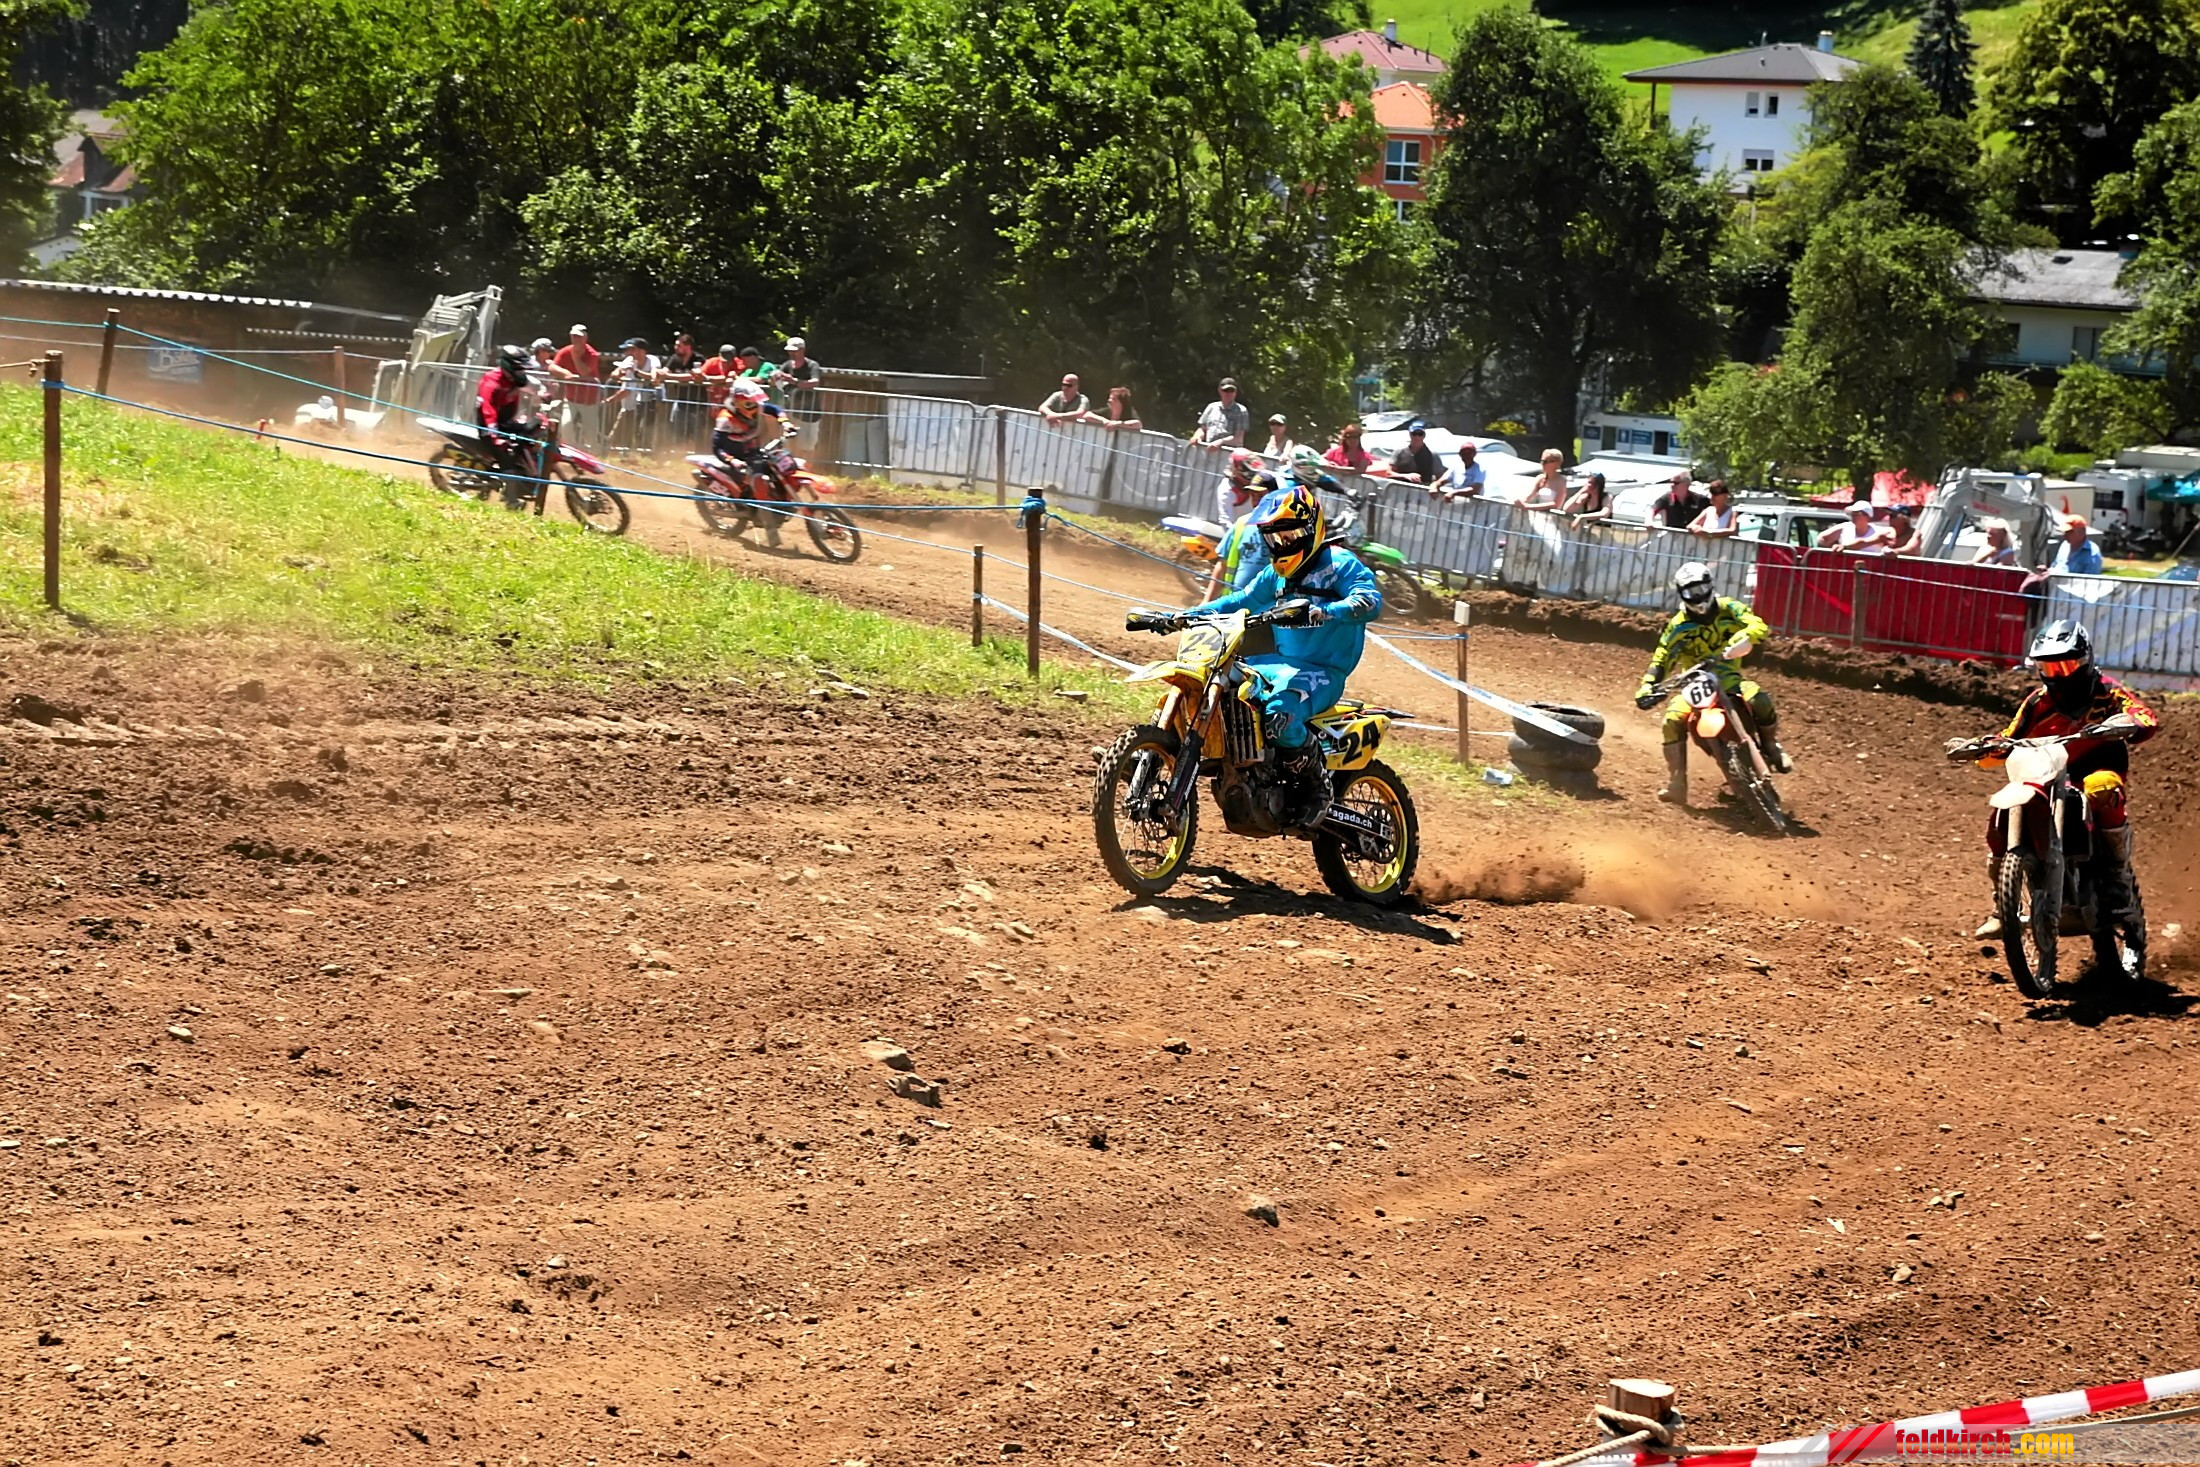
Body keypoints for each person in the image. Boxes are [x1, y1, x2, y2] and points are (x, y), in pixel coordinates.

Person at [1141, 481, 1383, 824]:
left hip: (1322, 670)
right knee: (1215, 686)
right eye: (1273, 538)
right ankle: (1149, 759)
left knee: (1280, 716)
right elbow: (1240, 601)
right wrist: (1182, 616)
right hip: (1274, 664)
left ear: (1310, 529)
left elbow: (1370, 600)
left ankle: (1317, 786)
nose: (1281, 545)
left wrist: (1326, 611)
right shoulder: (1275, 576)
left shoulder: (1339, 563)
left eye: (1288, 535)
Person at [1954, 619, 2157, 959]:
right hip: (2048, 770)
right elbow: (2011, 735)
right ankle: (2003, 905)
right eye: (2049, 667)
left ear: (2085, 660)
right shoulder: (2038, 701)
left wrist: (2126, 723)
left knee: (2101, 788)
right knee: (2006, 808)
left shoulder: (2107, 692)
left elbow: (2145, 716)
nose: (2058, 675)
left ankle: (2118, 879)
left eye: (2066, 665)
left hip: (2097, 767)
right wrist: (1982, 746)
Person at [1633, 561, 1793, 804]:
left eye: (1701, 589)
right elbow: (1662, 657)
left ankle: (1771, 745)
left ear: (1710, 586)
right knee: (1671, 720)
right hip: (1694, 682)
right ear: (1682, 594)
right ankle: (1677, 782)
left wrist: (1744, 637)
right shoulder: (1678, 626)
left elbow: (1757, 624)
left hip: (1730, 678)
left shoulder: (1729, 608)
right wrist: (1647, 685)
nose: (1698, 596)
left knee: (1759, 699)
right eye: (1691, 592)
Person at [711, 379, 787, 540]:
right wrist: (732, 460)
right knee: (760, 482)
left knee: (780, 467)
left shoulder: (754, 407)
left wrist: (785, 423)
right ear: (738, 403)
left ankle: (782, 504)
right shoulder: (725, 418)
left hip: (753, 453)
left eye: (756, 404)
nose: (756, 409)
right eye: (750, 404)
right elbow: (717, 447)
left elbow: (774, 409)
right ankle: (770, 528)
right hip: (736, 460)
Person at [474, 344, 538, 487]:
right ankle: (510, 493)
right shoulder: (491, 381)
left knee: (528, 435)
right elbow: (487, 408)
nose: (522, 373)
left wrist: (544, 397)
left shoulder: (513, 379)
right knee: (506, 456)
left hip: (504, 421)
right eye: (520, 369)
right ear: (509, 367)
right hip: (487, 424)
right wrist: (494, 435)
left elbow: (533, 389)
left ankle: (527, 472)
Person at [605, 337, 663, 457]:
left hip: (650, 403)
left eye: (632, 349)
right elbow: (614, 374)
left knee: (645, 432)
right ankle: (615, 456)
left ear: (642, 351)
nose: (628, 352)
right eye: (628, 350)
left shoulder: (653, 360)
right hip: (630, 404)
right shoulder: (629, 360)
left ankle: (647, 457)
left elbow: (654, 377)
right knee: (620, 434)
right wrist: (619, 374)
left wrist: (636, 372)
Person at [552, 324, 604, 448]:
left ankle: (594, 454)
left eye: (579, 337)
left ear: (585, 338)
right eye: (573, 336)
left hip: (589, 400)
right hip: (571, 398)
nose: (576, 339)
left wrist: (575, 357)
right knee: (566, 424)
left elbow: (584, 372)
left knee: (590, 431)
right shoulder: (565, 351)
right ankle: (571, 450)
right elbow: (552, 367)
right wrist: (566, 374)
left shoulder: (592, 354)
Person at [662, 331, 707, 446]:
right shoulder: (675, 358)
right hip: (680, 401)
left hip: (697, 403)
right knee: (678, 432)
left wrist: (669, 376)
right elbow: (665, 371)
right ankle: (679, 453)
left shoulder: (698, 359)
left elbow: (692, 377)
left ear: (688, 347)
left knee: (697, 434)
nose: (675, 348)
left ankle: (698, 453)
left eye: (679, 345)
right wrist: (660, 373)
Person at [1193, 378, 1249, 447]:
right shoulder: (1211, 407)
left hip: (1228, 451)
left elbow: (1239, 438)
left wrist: (1221, 442)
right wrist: (1197, 437)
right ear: (1219, 391)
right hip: (1209, 449)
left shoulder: (1241, 411)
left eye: (1232, 391)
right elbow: (1202, 429)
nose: (1229, 393)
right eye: (1226, 390)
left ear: (1236, 392)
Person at [779, 336, 823, 424]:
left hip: (809, 413)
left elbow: (815, 382)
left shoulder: (812, 365)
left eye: (794, 351)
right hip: (789, 411)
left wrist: (794, 381)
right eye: (789, 351)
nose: (791, 353)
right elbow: (778, 379)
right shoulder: (786, 365)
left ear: (802, 350)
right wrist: (774, 378)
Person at [1816, 501, 1890, 553]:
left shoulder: (1879, 532)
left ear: (1867, 516)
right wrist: (1833, 549)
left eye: (1857, 513)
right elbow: (1822, 538)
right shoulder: (1844, 527)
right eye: (1852, 513)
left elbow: (1890, 546)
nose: (1853, 515)